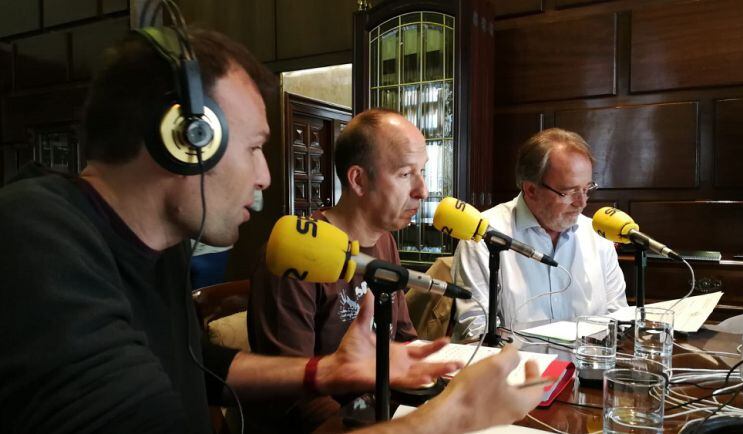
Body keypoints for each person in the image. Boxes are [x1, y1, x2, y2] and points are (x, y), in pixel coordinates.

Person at [0, 24, 544, 434]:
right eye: (256, 147)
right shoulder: (35, 238)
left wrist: (325, 372)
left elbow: (202, 368)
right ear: (187, 137)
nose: (264, 176)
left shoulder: (157, 248)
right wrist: (451, 417)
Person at [247, 108, 423, 431]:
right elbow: (292, 392)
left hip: (383, 411)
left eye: (421, 172)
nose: (422, 191)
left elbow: (402, 338)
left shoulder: (386, 244)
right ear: (358, 179)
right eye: (405, 174)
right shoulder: (297, 257)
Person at [452, 128, 627, 341]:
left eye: (587, 189)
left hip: (587, 369)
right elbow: (475, 331)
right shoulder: (483, 236)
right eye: (569, 192)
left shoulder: (598, 237)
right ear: (531, 190)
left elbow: (618, 320)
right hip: (517, 370)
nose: (582, 203)